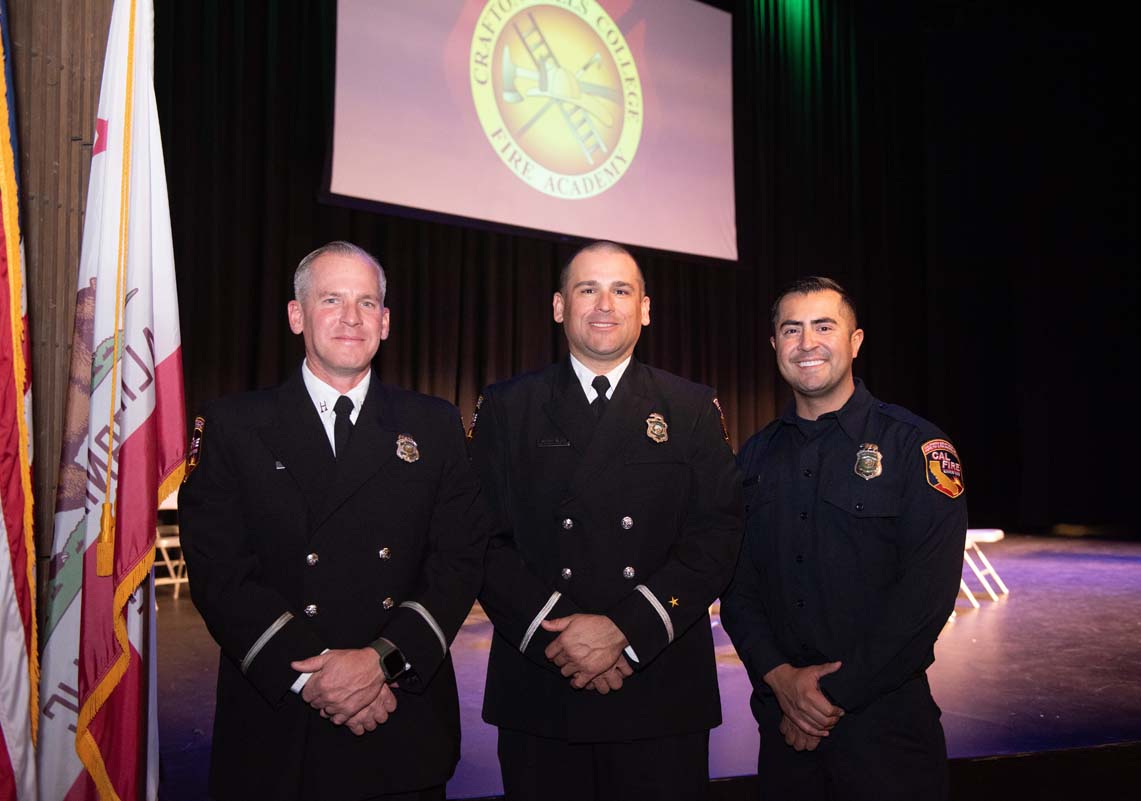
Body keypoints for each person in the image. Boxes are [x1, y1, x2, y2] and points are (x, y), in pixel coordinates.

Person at [179, 241, 488, 801]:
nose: (351, 317)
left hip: (400, 714)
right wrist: (313, 676)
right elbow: (219, 569)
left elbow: (460, 560)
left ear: (386, 322)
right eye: (331, 300)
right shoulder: (234, 425)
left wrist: (381, 662)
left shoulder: (434, 424)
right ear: (297, 315)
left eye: (367, 303)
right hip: (280, 721)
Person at [467, 241, 743, 801]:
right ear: (558, 306)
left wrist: (625, 630)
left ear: (645, 308)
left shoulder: (690, 408)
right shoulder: (507, 407)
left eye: (621, 290)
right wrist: (564, 635)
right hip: (544, 685)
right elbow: (479, 540)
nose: (604, 304)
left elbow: (717, 534)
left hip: (659, 689)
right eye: (586, 289)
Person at [721, 277, 967, 801]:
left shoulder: (916, 448)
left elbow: (926, 600)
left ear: (855, 342)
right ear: (774, 346)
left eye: (824, 326)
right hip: (783, 729)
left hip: (887, 734)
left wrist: (825, 698)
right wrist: (781, 680)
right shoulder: (754, 458)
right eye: (792, 329)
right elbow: (737, 590)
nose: (807, 343)